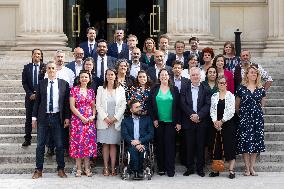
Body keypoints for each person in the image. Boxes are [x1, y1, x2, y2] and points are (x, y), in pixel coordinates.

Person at [31, 61, 70, 179]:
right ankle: (38, 170)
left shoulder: (64, 84)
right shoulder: (41, 84)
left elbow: (66, 104)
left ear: (56, 70)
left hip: (57, 117)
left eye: (53, 68)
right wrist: (34, 118)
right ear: (46, 70)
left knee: (59, 145)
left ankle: (61, 169)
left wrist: (67, 117)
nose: (51, 70)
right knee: (40, 145)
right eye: (49, 68)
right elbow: (37, 102)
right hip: (43, 117)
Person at [149, 68, 181, 177]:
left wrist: (178, 122)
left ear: (169, 76)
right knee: (160, 146)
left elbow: (178, 107)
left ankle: (170, 169)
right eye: (161, 75)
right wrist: (154, 119)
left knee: (170, 146)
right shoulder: (154, 89)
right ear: (159, 77)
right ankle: (161, 168)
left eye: (165, 74)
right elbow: (150, 106)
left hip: (171, 122)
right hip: (159, 122)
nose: (164, 76)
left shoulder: (174, 89)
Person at [235, 65, 266, 176]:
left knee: (256, 143)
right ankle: (246, 168)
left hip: (257, 119)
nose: (253, 74)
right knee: (245, 143)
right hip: (245, 119)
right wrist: (244, 115)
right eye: (251, 72)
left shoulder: (261, 88)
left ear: (257, 75)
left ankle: (252, 167)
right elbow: (237, 106)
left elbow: (262, 104)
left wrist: (256, 113)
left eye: (255, 73)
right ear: (247, 74)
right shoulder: (241, 88)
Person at [180, 67, 211, 177]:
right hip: (188, 121)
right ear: (190, 76)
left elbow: (208, 104)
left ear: (200, 76)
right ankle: (190, 168)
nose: (195, 77)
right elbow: (182, 103)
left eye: (197, 75)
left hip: (201, 122)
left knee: (200, 146)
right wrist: (191, 115)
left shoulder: (205, 88)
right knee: (189, 146)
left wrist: (199, 115)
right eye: (193, 75)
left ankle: (200, 168)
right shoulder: (185, 88)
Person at [96, 69, 126, 176]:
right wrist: (105, 118)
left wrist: (114, 118)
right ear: (106, 76)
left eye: (112, 74)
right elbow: (98, 105)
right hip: (104, 121)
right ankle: (105, 167)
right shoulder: (100, 89)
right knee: (105, 145)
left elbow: (123, 105)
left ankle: (113, 168)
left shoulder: (120, 89)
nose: (110, 76)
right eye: (108, 74)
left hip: (115, 121)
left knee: (113, 144)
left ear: (115, 76)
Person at [69, 70, 97, 177]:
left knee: (87, 144)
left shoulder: (91, 91)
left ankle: (87, 168)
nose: (84, 79)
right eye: (82, 77)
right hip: (77, 120)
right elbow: (72, 106)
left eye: (86, 77)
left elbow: (93, 106)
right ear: (79, 79)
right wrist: (81, 117)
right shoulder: (74, 90)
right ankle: (79, 168)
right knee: (78, 143)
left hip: (89, 121)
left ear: (89, 79)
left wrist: (93, 115)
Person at [209, 76, 236, 179]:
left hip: (228, 124)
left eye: (224, 83)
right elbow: (212, 110)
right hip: (216, 125)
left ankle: (231, 170)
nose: (222, 84)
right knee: (217, 148)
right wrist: (215, 121)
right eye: (220, 83)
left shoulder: (231, 96)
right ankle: (217, 170)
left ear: (226, 84)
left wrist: (222, 121)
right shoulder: (214, 96)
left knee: (229, 147)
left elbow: (231, 111)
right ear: (217, 84)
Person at [121, 100, 154, 179]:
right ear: (131, 110)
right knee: (134, 150)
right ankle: (137, 171)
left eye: (140, 106)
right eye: (137, 107)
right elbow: (124, 134)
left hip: (143, 144)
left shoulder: (147, 119)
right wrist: (134, 143)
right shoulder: (125, 121)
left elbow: (151, 134)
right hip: (131, 144)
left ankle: (138, 171)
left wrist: (140, 142)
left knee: (141, 149)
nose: (140, 108)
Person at [22, 49, 46, 147]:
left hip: (41, 98)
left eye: (39, 54)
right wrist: (30, 93)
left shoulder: (45, 67)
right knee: (28, 119)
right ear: (32, 56)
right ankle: (27, 139)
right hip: (30, 98)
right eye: (35, 54)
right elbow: (24, 82)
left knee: (42, 119)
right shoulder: (27, 67)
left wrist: (39, 94)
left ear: (41, 56)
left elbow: (46, 82)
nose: (37, 55)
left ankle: (42, 139)